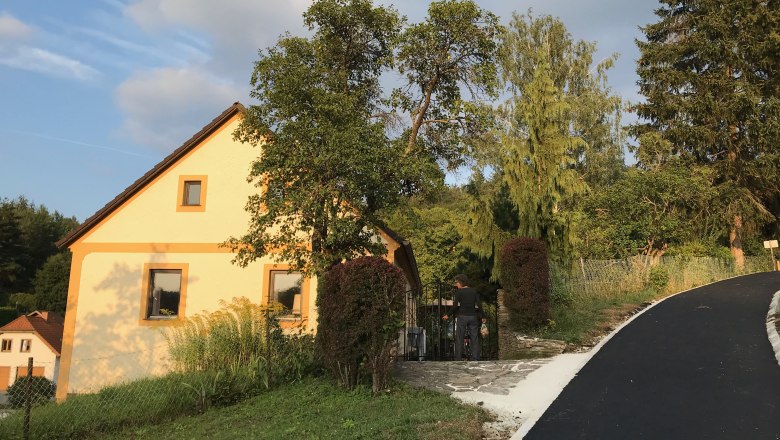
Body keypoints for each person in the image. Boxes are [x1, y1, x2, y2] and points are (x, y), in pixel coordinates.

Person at [443, 274, 486, 361]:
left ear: (461, 282)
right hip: (473, 317)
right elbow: (479, 304)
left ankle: (458, 359)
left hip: (462, 317)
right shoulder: (474, 291)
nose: (456, 285)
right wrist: (483, 316)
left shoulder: (459, 292)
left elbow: (455, 306)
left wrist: (448, 315)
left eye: (457, 282)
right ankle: (475, 358)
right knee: (474, 338)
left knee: (459, 338)